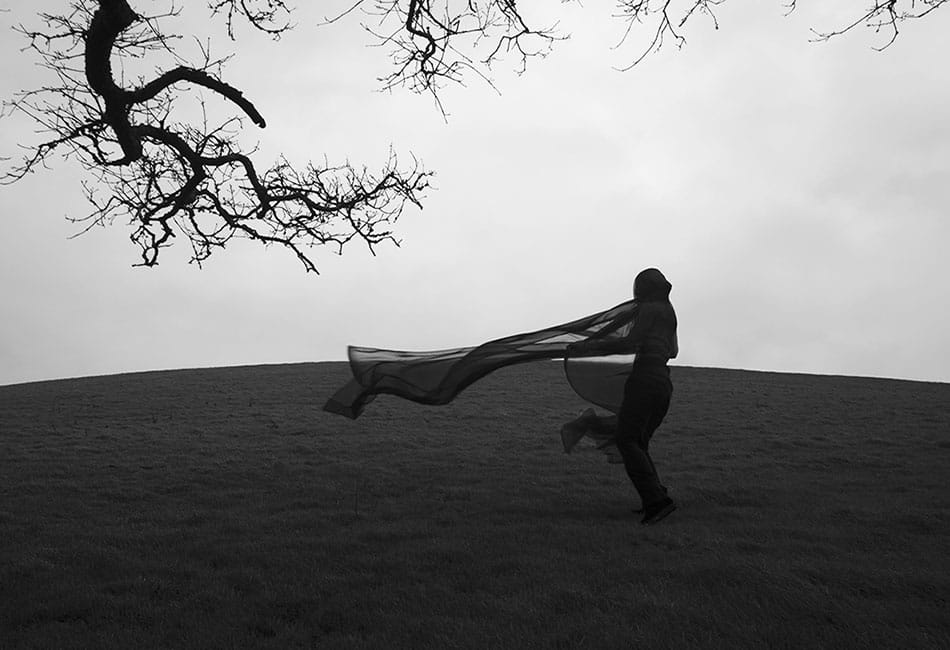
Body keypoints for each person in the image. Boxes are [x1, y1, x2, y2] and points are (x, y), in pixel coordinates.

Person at [565, 268, 678, 525]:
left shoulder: (648, 309)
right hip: (663, 383)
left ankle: (657, 503)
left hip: (644, 382)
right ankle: (656, 494)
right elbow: (673, 351)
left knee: (627, 440)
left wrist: (589, 345)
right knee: (638, 441)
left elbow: (630, 343)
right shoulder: (669, 313)